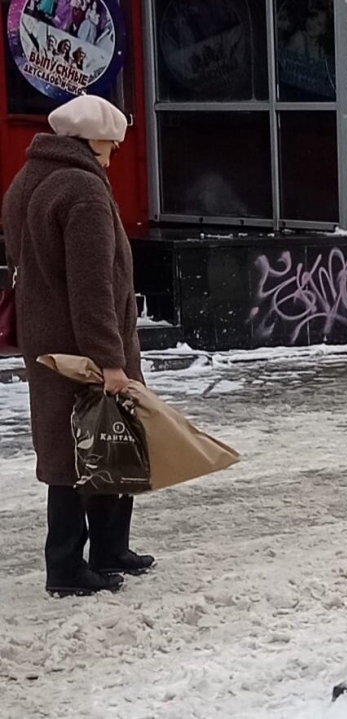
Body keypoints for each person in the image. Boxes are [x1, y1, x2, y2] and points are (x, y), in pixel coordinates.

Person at [2, 95, 154, 597]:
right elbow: (92, 288)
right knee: (97, 445)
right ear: (90, 139)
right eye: (110, 143)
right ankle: (68, 565)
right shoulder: (84, 191)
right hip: (86, 346)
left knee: (79, 445)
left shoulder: (26, 181)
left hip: (46, 341)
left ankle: (108, 550)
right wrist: (111, 361)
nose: (113, 151)